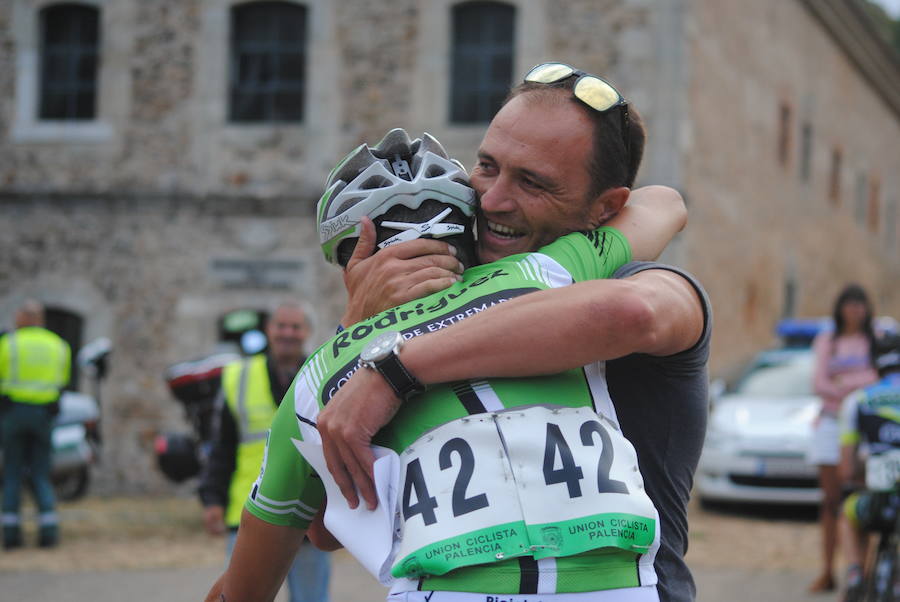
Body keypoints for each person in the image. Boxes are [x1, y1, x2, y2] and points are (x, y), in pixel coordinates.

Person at [210, 63, 709, 602]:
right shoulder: (552, 269)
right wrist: (363, 327)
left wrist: (384, 364)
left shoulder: (623, 281)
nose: (492, 200)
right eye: (487, 166)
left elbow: (633, 300)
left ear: (606, 208)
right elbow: (331, 525)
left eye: (533, 182)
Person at [198, 302, 330, 602]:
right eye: (281, 326)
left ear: (307, 332)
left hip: (309, 514)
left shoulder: (324, 374)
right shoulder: (238, 377)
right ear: (268, 330)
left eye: (295, 327)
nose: (287, 333)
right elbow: (220, 446)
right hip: (249, 514)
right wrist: (212, 499)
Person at [808, 284, 879, 593]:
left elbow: (879, 377)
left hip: (861, 427)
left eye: (859, 304)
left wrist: (845, 385)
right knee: (831, 501)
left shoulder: (875, 340)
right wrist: (855, 389)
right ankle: (827, 569)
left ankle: (861, 569)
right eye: (849, 304)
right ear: (840, 308)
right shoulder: (828, 341)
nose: (854, 310)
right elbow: (819, 382)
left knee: (863, 499)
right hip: (831, 422)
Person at [0, 300, 71, 549]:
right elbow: (62, 381)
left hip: (13, 413)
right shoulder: (59, 345)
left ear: (23, 317)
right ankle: (48, 533)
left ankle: (10, 536)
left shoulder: (9, 344)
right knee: (42, 473)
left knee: (11, 473)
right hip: (44, 415)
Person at [837, 333, 900, 601]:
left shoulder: (858, 401)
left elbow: (846, 470)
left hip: (876, 502)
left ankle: (854, 573)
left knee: (847, 513)